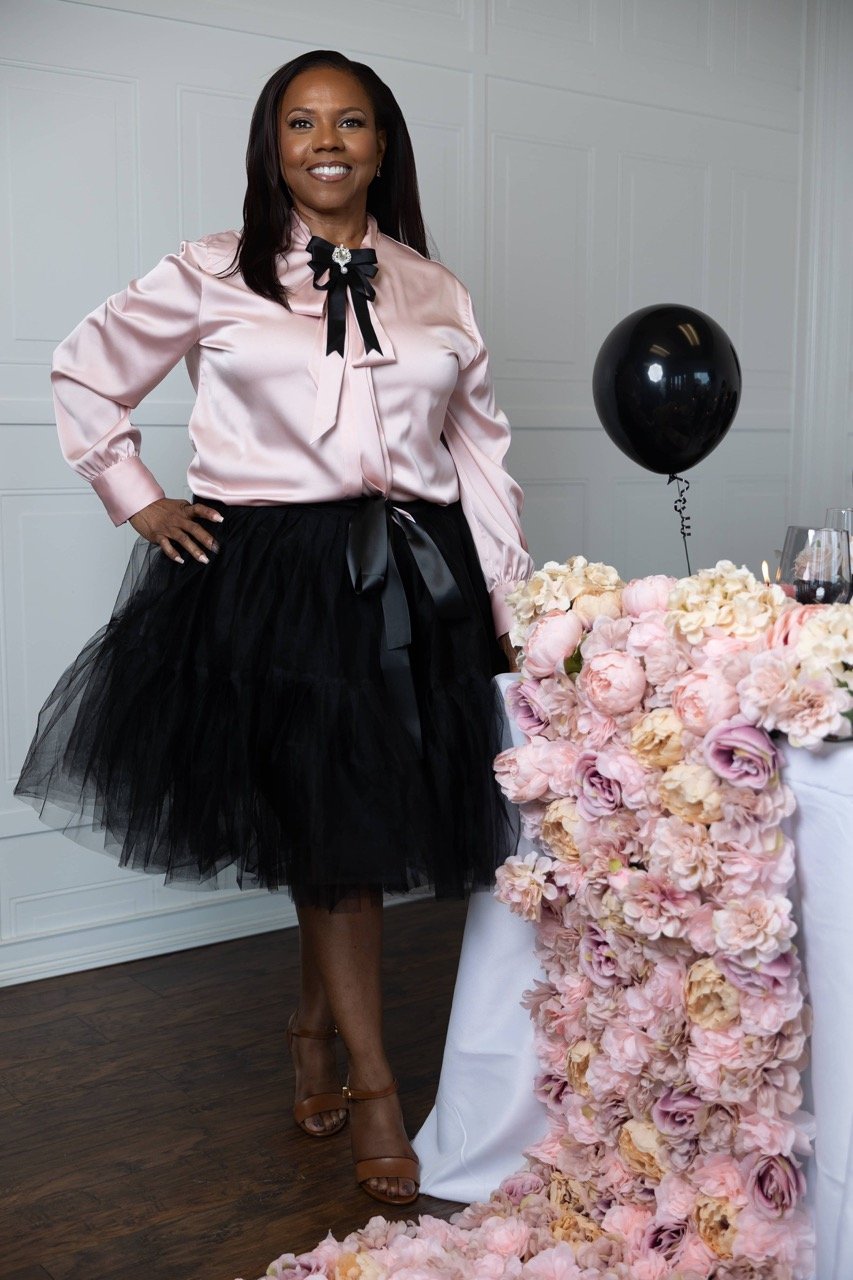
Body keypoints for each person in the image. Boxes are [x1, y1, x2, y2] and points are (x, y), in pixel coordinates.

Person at [13, 49, 533, 1207]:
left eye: (350, 121)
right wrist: (134, 493)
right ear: (272, 146)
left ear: (384, 143)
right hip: (272, 579)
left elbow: (482, 459)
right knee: (327, 828)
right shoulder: (210, 270)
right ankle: (379, 1088)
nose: (327, 141)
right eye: (301, 123)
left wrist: (514, 606)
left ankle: (309, 1024)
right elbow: (84, 373)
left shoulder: (434, 287)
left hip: (412, 576)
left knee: (341, 827)